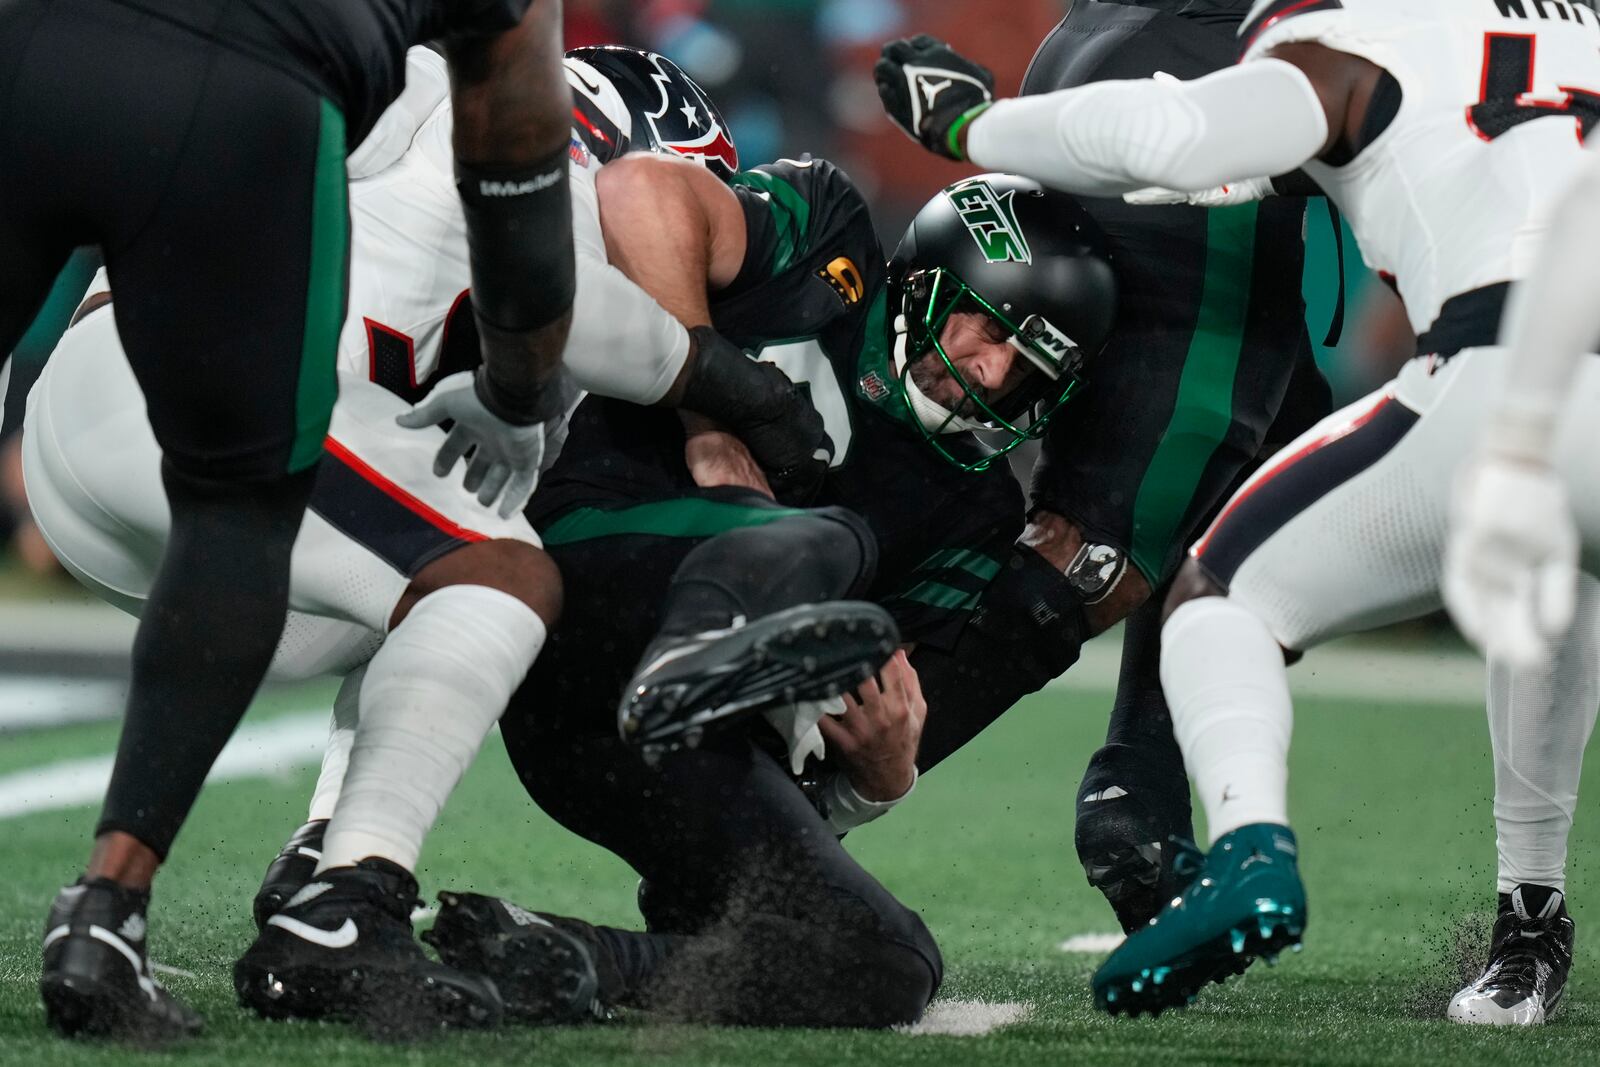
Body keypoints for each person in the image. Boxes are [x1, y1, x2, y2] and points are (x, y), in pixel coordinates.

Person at [23, 44, 827, 1034]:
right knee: (500, 580)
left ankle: (325, 869)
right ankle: (346, 905)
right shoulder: (441, 91)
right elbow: (573, 294)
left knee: (444, 574)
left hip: (154, 485)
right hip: (166, 402)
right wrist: (732, 389)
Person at [875, 0, 1600, 1019]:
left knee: (1220, 595)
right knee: (1553, 567)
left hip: (1499, 372)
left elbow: (1163, 136)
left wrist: (966, 126)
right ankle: (1527, 922)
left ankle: (1250, 848)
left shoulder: (1357, 39)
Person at [283, 157, 1121, 1029]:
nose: (991, 374)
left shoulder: (974, 510)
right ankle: (699, 641)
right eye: (986, 329)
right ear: (924, 282)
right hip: (567, 574)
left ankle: (570, 955)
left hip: (628, 740)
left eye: (1025, 368)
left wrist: (878, 780)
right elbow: (639, 191)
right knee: (832, 539)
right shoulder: (830, 242)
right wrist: (710, 412)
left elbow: (819, 767)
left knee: (889, 962)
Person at [5, 0, 580, 1040]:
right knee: (251, 506)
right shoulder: (528, 117)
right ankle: (108, 906)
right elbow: (521, 181)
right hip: (238, 78)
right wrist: (518, 391)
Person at [899, 0, 1334, 935]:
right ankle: (789, 807)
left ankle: (1140, 794)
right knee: (1093, 548)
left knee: (1278, 487)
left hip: (1113, 49)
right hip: (1219, 88)